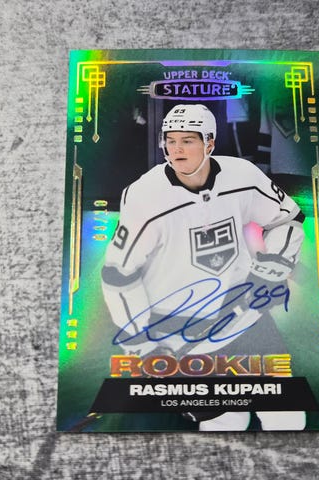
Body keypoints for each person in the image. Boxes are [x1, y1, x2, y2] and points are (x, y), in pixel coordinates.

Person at [101, 104, 306, 431]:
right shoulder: (145, 197)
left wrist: (273, 264)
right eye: (170, 140)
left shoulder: (242, 175)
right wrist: (142, 343)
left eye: (187, 140)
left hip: (245, 313)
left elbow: (288, 220)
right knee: (226, 421)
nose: (176, 149)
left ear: (209, 143)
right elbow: (118, 275)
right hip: (176, 324)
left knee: (288, 415)